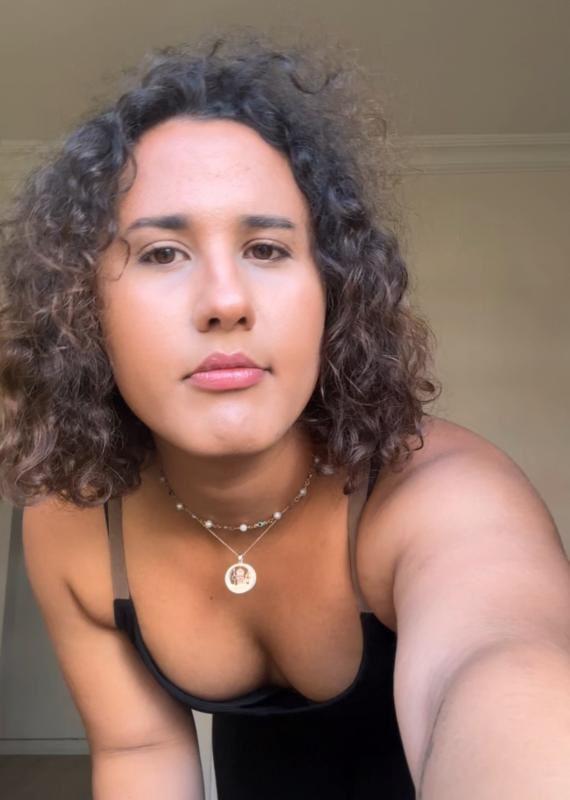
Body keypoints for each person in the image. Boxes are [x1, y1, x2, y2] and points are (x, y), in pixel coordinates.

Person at [1, 29, 569, 800]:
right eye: (162, 253)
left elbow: (504, 667)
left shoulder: (443, 495)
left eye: (267, 248)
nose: (226, 301)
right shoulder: (75, 522)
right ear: (82, 306)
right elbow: (138, 750)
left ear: (331, 289)